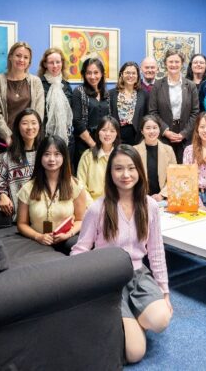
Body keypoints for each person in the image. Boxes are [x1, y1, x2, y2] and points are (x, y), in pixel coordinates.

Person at [71, 145, 172, 364]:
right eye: (118, 169)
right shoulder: (98, 208)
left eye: (131, 168)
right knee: (135, 354)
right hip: (108, 283)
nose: (125, 175)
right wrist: (80, 289)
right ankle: (127, 322)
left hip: (138, 276)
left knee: (162, 319)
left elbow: (155, 251)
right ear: (110, 173)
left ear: (139, 172)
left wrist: (164, 291)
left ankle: (131, 318)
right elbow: (80, 250)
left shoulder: (150, 206)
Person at [17, 135, 87, 255]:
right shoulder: (28, 188)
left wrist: (68, 234)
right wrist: (38, 236)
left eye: (57, 154)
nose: (52, 159)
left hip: (68, 239)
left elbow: (81, 220)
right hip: (37, 242)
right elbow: (21, 224)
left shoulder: (75, 185)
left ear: (64, 157)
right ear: (40, 157)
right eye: (47, 154)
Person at [0, 41, 45, 159]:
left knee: (28, 177)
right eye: (18, 55)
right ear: (10, 57)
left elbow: (38, 113)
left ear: (29, 62)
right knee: (1, 176)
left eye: (26, 57)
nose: (21, 59)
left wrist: (29, 136)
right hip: (2, 141)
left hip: (28, 141)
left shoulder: (35, 82)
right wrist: (7, 136)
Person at [148, 49, 200, 163]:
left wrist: (184, 133)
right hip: (164, 135)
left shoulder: (191, 86)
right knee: (164, 168)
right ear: (165, 64)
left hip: (185, 136)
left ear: (182, 64)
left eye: (177, 62)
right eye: (170, 61)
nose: (174, 65)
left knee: (185, 170)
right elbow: (153, 112)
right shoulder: (157, 85)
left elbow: (195, 112)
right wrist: (165, 131)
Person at [0, 108, 43, 219]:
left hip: (43, 215)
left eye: (34, 123)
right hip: (19, 217)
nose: (30, 127)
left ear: (39, 126)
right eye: (25, 123)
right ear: (18, 127)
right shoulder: (9, 157)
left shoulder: (46, 153)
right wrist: (2, 196)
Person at [72, 57, 111, 170]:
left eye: (96, 72)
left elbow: (110, 119)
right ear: (84, 74)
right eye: (89, 73)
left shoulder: (106, 94)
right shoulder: (79, 92)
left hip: (104, 142)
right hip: (84, 143)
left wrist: (105, 144)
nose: (93, 76)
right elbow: (77, 121)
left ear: (102, 74)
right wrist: (93, 145)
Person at [37, 47, 74, 145]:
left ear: (62, 63)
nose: (55, 66)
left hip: (66, 139)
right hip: (44, 138)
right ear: (45, 64)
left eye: (58, 62)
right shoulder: (38, 84)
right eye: (51, 62)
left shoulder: (66, 85)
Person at [134, 115, 176, 202]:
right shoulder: (134, 151)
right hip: (140, 199)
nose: (152, 131)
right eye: (148, 128)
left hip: (163, 200)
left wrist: (162, 195)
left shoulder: (168, 150)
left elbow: (174, 177)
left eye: (155, 128)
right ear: (142, 131)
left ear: (159, 130)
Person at [77, 116, 120, 201]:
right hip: (92, 205)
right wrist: (93, 206)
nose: (107, 134)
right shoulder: (87, 156)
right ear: (98, 132)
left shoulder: (122, 156)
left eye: (112, 131)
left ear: (117, 134)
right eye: (104, 130)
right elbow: (81, 185)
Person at [109, 62, 148, 145]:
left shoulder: (144, 94)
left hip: (137, 137)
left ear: (138, 76)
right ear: (121, 75)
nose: (130, 76)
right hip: (116, 136)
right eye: (127, 73)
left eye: (134, 73)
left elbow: (146, 116)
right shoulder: (111, 94)